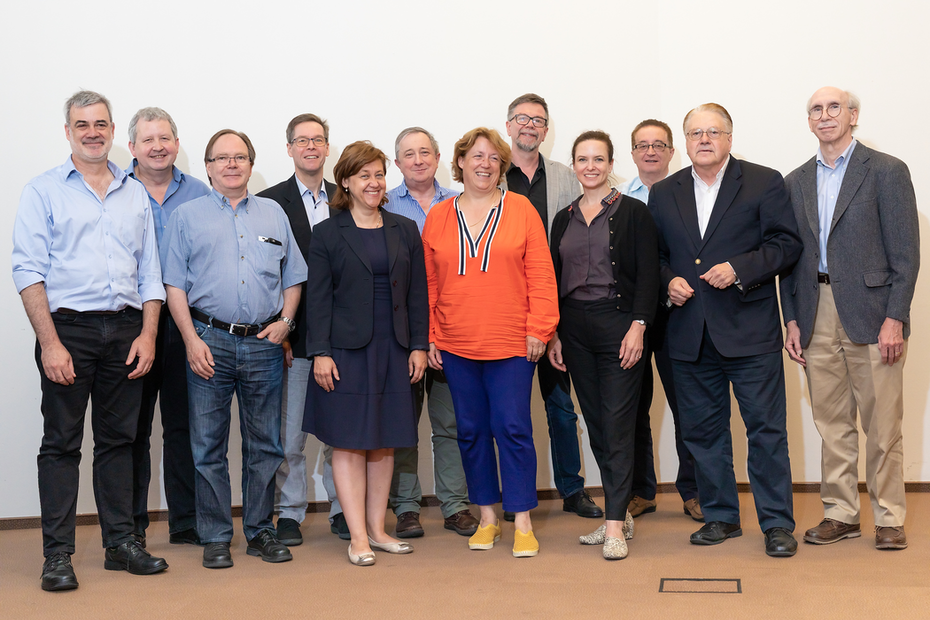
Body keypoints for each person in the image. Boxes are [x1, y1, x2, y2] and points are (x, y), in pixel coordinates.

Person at [12, 90, 168, 592]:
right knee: (60, 445)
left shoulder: (134, 191)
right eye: (83, 125)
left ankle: (121, 545)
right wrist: (50, 343)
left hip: (125, 330)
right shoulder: (43, 191)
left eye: (100, 123)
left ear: (111, 129)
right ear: (68, 132)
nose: (93, 132)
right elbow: (27, 270)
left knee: (120, 443)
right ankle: (57, 556)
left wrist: (147, 333)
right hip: (68, 332)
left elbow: (151, 272)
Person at [647, 103, 802, 557]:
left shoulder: (763, 180)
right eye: (695, 132)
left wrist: (738, 268)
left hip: (749, 330)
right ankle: (720, 516)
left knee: (766, 431)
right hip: (688, 333)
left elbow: (786, 245)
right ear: (686, 140)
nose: (704, 139)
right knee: (703, 433)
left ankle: (776, 523)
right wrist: (666, 282)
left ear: (730, 138)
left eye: (714, 132)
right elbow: (653, 257)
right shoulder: (665, 191)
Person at [780, 87, 920, 550]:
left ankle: (889, 516)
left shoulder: (885, 171)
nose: (825, 116)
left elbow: (905, 254)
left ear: (853, 115)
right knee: (831, 422)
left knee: (882, 424)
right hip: (814, 311)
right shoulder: (795, 179)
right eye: (816, 110)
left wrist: (895, 317)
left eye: (834, 107)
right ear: (809, 121)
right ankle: (840, 513)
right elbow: (789, 256)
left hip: (873, 314)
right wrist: (793, 320)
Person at [162, 129, 306, 569]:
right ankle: (216, 536)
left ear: (251, 164)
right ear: (208, 167)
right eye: (221, 158)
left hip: (263, 343)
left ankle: (261, 531)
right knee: (207, 446)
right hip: (209, 342)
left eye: (239, 157)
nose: (231, 164)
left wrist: (285, 323)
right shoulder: (187, 217)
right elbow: (173, 285)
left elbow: (293, 276)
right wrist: (191, 340)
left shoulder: (274, 213)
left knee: (266, 445)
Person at [423, 127, 559, 558]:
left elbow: (541, 273)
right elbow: (428, 284)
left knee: (513, 428)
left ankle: (521, 521)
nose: (484, 164)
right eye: (475, 156)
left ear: (502, 166)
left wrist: (541, 328)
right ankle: (487, 518)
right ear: (460, 162)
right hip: (457, 343)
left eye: (493, 158)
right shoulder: (439, 215)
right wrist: (431, 335)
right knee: (471, 432)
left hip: (513, 344)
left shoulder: (521, 210)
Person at [303, 141, 428, 567]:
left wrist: (418, 346)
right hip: (345, 351)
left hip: (394, 348)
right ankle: (357, 536)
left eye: (378, 174)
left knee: (385, 444)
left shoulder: (404, 229)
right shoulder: (326, 232)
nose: (373, 183)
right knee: (350, 444)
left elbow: (417, 295)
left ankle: (378, 529)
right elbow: (316, 300)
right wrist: (319, 352)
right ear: (346, 182)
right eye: (364, 176)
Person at [547, 130, 659, 560]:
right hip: (574, 328)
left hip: (619, 325)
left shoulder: (633, 213)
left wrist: (638, 326)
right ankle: (620, 513)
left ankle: (613, 526)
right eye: (582, 159)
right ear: (573, 166)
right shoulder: (563, 217)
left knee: (617, 423)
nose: (590, 166)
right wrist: (554, 332)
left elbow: (648, 275)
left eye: (598, 159)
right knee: (595, 421)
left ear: (611, 164)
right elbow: (554, 281)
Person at [499, 94, 602, 521]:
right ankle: (513, 495)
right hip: (503, 311)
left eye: (538, 121)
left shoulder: (563, 177)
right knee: (508, 411)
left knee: (561, 407)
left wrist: (552, 320)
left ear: (546, 130)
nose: (530, 126)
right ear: (508, 125)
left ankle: (573, 489)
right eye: (522, 118)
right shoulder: (489, 175)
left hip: (554, 310)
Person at [383, 127, 478, 538]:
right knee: (403, 424)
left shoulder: (460, 204)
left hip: (451, 330)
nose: (418, 159)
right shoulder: (381, 204)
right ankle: (405, 507)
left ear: (439, 158)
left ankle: (456, 505)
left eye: (425, 152)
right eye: (409, 154)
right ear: (397, 162)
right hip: (399, 332)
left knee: (451, 425)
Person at [127, 107, 210, 548]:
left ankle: (186, 521)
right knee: (134, 429)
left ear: (177, 144)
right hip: (132, 327)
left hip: (184, 328)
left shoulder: (201, 193)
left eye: (165, 138)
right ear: (133, 148)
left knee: (183, 427)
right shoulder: (117, 190)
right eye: (148, 139)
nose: (157, 146)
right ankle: (132, 527)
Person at [257, 113, 338, 546]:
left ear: (328, 148)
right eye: (301, 140)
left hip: (345, 339)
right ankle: (288, 513)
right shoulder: (268, 202)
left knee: (340, 434)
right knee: (288, 436)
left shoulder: (349, 198)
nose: (310, 147)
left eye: (318, 140)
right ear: (288, 148)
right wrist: (282, 330)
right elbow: (270, 273)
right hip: (293, 338)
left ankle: (343, 510)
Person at [619, 119, 701, 522]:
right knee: (632, 407)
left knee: (688, 405)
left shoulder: (689, 195)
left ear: (673, 152)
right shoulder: (615, 199)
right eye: (642, 145)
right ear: (632, 153)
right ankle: (640, 491)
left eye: (659, 145)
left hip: (677, 316)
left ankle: (693, 490)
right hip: (630, 319)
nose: (650, 152)